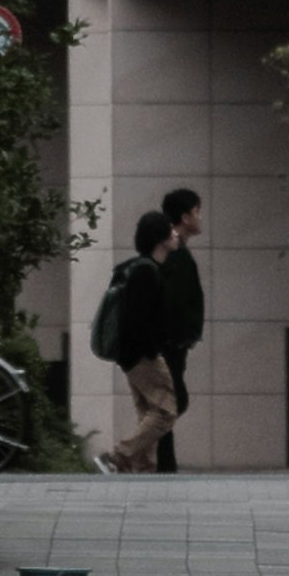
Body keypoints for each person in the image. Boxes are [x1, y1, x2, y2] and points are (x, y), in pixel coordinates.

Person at [89, 210, 182, 471]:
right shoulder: (145, 272)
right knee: (165, 412)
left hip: (131, 356)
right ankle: (118, 455)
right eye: (170, 230)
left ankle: (141, 469)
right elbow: (138, 320)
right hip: (143, 355)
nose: (176, 234)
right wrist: (153, 351)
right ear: (159, 237)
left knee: (148, 413)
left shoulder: (136, 268)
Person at [147, 186, 205, 468]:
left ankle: (164, 463)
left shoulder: (174, 250)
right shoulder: (176, 253)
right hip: (171, 341)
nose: (200, 218)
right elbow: (176, 299)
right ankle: (131, 451)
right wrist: (180, 335)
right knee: (173, 402)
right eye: (197, 212)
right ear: (184, 217)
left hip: (173, 341)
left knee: (168, 402)